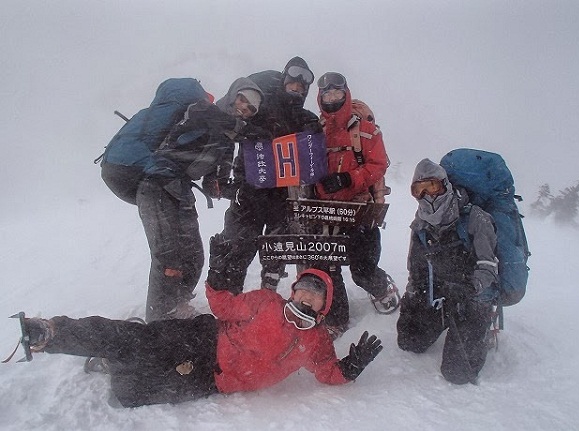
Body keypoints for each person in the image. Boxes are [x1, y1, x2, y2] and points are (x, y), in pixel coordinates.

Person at [16, 263, 383, 408]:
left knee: (128, 395)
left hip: (214, 378)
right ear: (293, 290)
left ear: (324, 304)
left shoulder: (316, 342)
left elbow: (328, 373)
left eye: (314, 294)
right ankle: (51, 332)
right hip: (203, 337)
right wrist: (219, 276)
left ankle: (114, 364)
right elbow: (224, 307)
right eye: (302, 288)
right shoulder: (267, 302)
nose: (305, 296)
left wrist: (350, 367)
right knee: (137, 340)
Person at [101, 77, 263, 322]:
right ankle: (159, 323)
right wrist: (250, 131)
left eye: (251, 108)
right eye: (242, 99)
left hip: (180, 190)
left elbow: (213, 181)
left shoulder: (226, 142)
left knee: (193, 255)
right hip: (156, 185)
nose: (244, 108)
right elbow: (206, 116)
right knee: (168, 256)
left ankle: (176, 305)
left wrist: (229, 188)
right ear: (232, 94)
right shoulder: (201, 108)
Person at [215, 57, 322, 295]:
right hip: (249, 190)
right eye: (292, 82)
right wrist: (224, 181)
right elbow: (228, 132)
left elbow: (312, 160)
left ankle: (268, 297)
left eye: (301, 86)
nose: (296, 88)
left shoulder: (305, 118)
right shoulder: (259, 107)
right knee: (238, 249)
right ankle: (228, 303)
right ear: (284, 79)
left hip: (282, 196)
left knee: (276, 251)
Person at [396, 158, 498, 384]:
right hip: (441, 295)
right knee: (409, 341)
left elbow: (489, 266)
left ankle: (482, 325)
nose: (427, 196)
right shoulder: (421, 224)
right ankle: (447, 322)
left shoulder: (475, 218)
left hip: (472, 297)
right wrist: (413, 298)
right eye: (419, 190)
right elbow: (416, 268)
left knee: (457, 373)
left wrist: (472, 287)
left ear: (445, 185)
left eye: (431, 187)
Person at [313, 72, 399, 332]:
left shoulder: (365, 129)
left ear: (345, 93)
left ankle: (382, 287)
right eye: (326, 94)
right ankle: (336, 318)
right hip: (324, 209)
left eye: (336, 93)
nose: (331, 98)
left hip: (360, 207)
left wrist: (347, 180)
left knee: (362, 267)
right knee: (327, 266)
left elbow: (379, 164)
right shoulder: (317, 129)